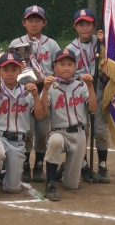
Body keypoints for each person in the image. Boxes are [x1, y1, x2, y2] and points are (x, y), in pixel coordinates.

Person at [0, 52, 44, 201]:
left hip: (18, 141)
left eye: (13, 70)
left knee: (13, 189)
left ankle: (2, 173)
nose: (9, 74)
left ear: (20, 70)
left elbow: (39, 116)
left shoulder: (27, 91)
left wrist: (35, 96)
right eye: (5, 70)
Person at [8, 5, 59, 183]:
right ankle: (25, 165)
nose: (34, 24)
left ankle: (38, 165)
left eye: (38, 20)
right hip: (23, 92)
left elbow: (58, 68)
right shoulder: (16, 44)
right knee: (26, 129)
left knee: (42, 129)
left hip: (44, 91)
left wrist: (49, 81)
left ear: (44, 23)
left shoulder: (51, 44)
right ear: (24, 22)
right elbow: (9, 68)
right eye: (30, 20)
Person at [42, 49, 97, 201]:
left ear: (75, 66)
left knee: (71, 185)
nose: (66, 67)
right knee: (55, 141)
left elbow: (92, 108)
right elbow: (43, 113)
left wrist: (91, 86)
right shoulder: (51, 86)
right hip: (58, 132)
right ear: (55, 67)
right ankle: (50, 182)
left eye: (69, 64)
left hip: (79, 133)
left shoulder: (81, 85)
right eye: (61, 64)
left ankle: (65, 167)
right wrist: (45, 90)